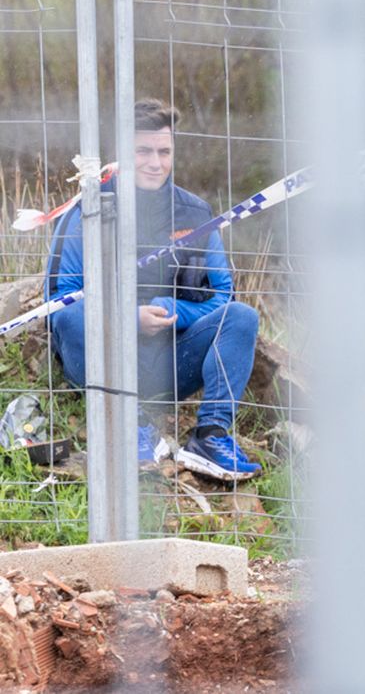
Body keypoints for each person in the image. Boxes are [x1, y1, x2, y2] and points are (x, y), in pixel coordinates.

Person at [46, 99, 262, 482]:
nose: (155, 162)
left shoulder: (196, 213)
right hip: (103, 362)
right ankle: (130, 427)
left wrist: (171, 308)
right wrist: (128, 318)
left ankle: (210, 436)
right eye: (142, 151)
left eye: (164, 151)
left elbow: (222, 295)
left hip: (173, 362)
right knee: (71, 314)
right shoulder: (88, 209)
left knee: (242, 317)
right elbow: (61, 296)